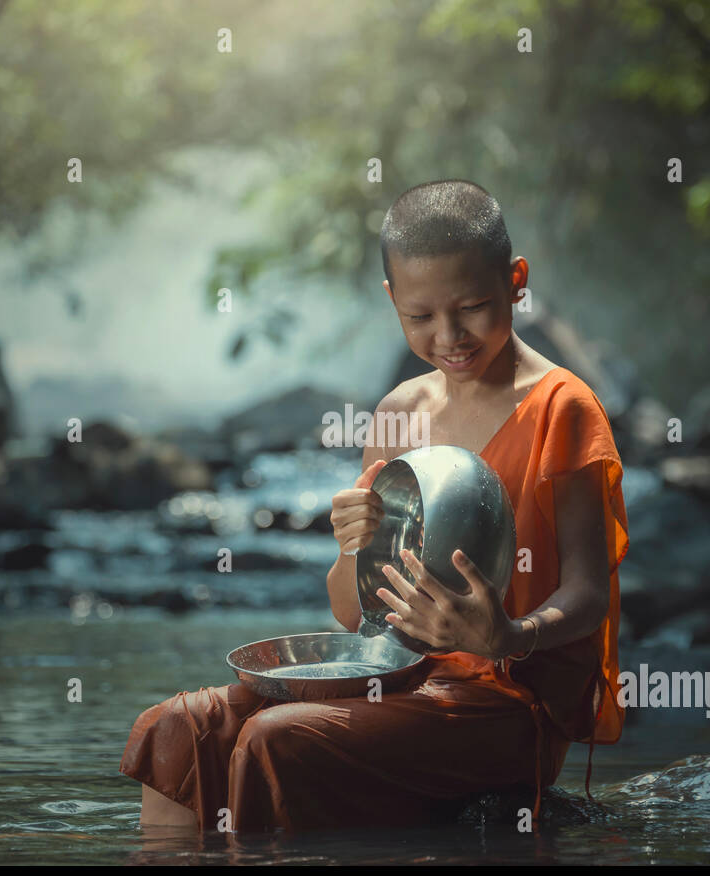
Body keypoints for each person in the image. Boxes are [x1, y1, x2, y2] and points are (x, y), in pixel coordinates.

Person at [120, 179, 629, 831]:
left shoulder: (563, 408)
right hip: (398, 673)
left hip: (506, 704)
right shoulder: (397, 413)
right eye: (421, 317)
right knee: (179, 725)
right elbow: (354, 614)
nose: (450, 335)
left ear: (516, 279)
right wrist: (350, 548)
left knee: (275, 739)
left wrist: (509, 634)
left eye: (472, 306)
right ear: (393, 300)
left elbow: (591, 593)